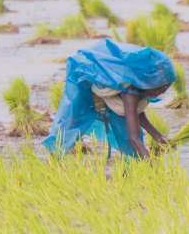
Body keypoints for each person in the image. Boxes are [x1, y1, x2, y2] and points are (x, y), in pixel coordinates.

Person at [44, 40, 175, 160]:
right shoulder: (130, 92)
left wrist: (157, 136)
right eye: (161, 88)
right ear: (149, 83)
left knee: (128, 140)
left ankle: (132, 166)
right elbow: (134, 137)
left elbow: (137, 113)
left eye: (166, 87)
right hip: (85, 74)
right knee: (73, 120)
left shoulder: (141, 85)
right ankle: (55, 157)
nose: (162, 92)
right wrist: (149, 163)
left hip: (112, 84)